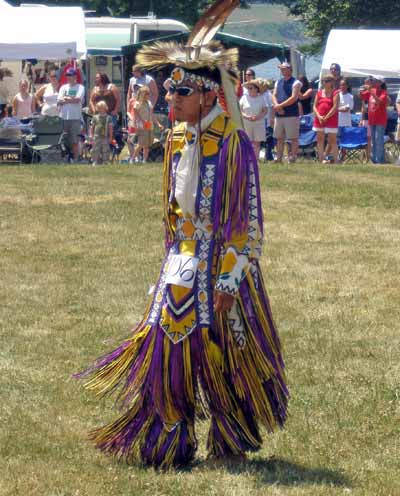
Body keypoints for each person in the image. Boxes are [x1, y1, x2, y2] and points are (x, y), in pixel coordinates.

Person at [77, 39, 288, 469]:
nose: (171, 99)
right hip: (182, 262)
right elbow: (172, 214)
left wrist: (230, 279)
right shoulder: (175, 138)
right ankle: (169, 436)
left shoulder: (234, 145)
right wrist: (170, 261)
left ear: (210, 95)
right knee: (167, 347)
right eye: (170, 91)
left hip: (222, 267)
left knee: (225, 353)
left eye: (182, 92)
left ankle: (232, 434)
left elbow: (246, 224)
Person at [272, 61, 302, 163]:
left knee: (293, 138)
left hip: (291, 114)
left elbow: (294, 98)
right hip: (279, 115)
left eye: (284, 68)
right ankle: (279, 158)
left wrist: (280, 106)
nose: (282, 70)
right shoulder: (278, 82)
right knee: (279, 138)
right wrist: (276, 106)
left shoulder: (296, 82)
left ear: (290, 69)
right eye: (281, 69)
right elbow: (274, 95)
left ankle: (293, 157)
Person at [126, 85, 162, 163]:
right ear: (142, 94)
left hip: (149, 125)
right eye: (147, 93)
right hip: (141, 126)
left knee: (147, 144)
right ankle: (132, 159)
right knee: (141, 143)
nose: (148, 95)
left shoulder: (149, 103)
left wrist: (158, 123)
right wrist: (141, 121)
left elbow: (152, 114)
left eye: (148, 93)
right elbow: (135, 113)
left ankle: (144, 160)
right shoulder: (138, 103)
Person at [57, 68, 85, 162]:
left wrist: (66, 99)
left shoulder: (80, 87)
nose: (69, 78)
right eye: (68, 76)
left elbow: (77, 99)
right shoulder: (63, 87)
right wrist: (70, 99)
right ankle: (64, 158)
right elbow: (59, 101)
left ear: (75, 76)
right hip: (63, 117)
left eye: (71, 76)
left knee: (75, 140)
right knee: (63, 140)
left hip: (75, 117)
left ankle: (76, 158)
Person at [360, 76, 389, 164]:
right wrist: (362, 89)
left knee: (378, 140)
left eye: (375, 81)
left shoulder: (384, 92)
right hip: (372, 119)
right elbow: (362, 97)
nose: (372, 83)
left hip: (380, 120)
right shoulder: (371, 91)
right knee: (373, 141)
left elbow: (379, 101)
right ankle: (374, 160)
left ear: (380, 83)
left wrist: (371, 92)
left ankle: (379, 161)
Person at [313, 74, 339, 163]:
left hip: (331, 119)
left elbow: (335, 107)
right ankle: (321, 159)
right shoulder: (319, 92)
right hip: (319, 118)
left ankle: (336, 161)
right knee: (320, 139)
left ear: (331, 82)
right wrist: (319, 116)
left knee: (332, 140)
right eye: (323, 80)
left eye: (327, 80)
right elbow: (314, 106)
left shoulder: (335, 92)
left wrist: (326, 117)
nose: (324, 82)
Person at [240, 79, 268, 158]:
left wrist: (257, 117)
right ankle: (248, 159)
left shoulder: (261, 98)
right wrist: (246, 116)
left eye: (251, 88)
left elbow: (265, 111)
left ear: (256, 89)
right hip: (246, 122)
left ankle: (256, 159)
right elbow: (239, 110)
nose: (249, 90)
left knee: (257, 142)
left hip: (258, 122)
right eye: (248, 88)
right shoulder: (244, 98)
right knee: (247, 141)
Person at [90, 101, 113, 166]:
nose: (101, 110)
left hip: (105, 136)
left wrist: (110, 136)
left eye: (102, 108)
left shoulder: (109, 118)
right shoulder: (95, 117)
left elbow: (110, 128)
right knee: (96, 149)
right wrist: (91, 135)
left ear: (105, 108)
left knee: (105, 149)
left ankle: (105, 161)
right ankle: (95, 161)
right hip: (96, 136)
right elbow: (92, 127)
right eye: (99, 108)